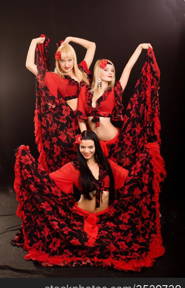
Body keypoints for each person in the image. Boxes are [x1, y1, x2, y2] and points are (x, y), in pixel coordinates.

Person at [12, 130, 165, 271]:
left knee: (123, 243)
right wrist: (28, 165)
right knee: (70, 243)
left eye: (90, 147)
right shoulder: (73, 167)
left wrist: (152, 204)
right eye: (83, 148)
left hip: (107, 216)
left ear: (96, 147)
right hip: (80, 215)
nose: (86, 151)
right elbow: (47, 183)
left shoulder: (108, 166)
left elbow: (131, 181)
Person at [26, 35, 96, 172]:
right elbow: (29, 64)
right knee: (72, 161)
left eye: (69, 60)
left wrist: (71, 39)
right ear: (58, 62)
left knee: (91, 158)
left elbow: (92, 45)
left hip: (88, 119)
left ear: (74, 59)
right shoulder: (54, 77)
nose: (67, 64)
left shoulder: (81, 71)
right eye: (63, 61)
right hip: (68, 125)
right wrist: (33, 42)